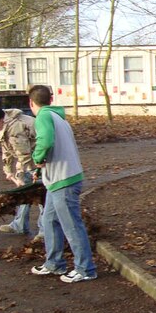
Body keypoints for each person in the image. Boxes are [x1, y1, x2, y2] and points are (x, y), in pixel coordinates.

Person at [27, 85, 97, 283]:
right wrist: (41, 170)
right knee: (49, 221)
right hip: (60, 179)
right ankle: (54, 263)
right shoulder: (59, 118)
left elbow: (46, 142)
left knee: (71, 225)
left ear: (30, 103)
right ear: (50, 100)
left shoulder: (42, 117)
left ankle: (86, 269)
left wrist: (37, 158)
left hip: (63, 180)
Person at [0, 105, 44, 240]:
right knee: (23, 194)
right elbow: (6, 147)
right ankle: (20, 224)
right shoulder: (1, 125)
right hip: (30, 163)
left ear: (1, 120)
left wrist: (19, 174)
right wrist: (7, 170)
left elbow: (24, 154)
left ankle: (44, 231)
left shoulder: (16, 127)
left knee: (41, 196)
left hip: (40, 161)